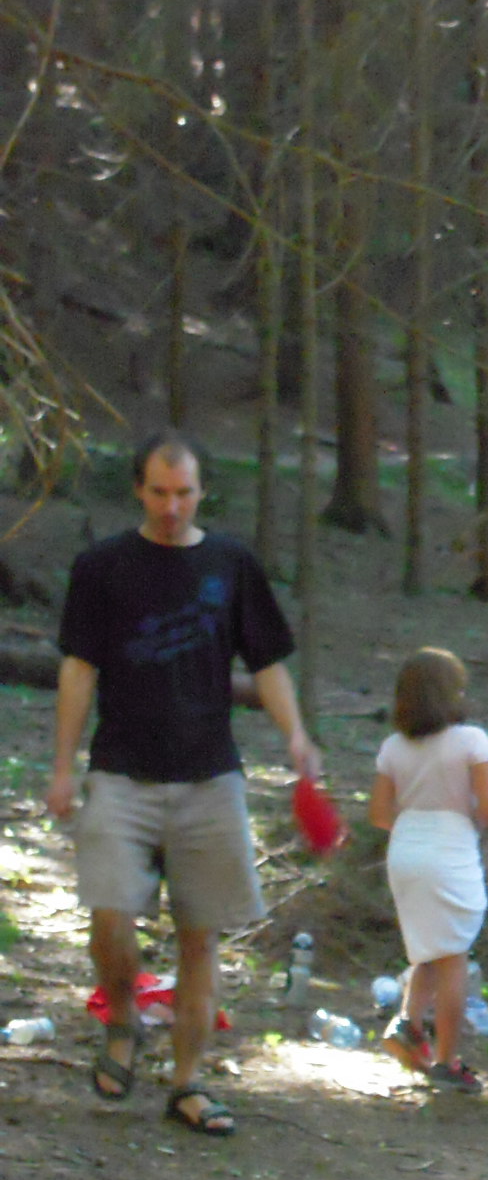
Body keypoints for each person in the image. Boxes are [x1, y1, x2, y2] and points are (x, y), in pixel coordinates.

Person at [48, 431, 316, 1137]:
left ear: (201, 492)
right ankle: (123, 1020)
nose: (172, 507)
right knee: (111, 918)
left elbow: (267, 663)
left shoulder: (231, 564)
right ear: (139, 489)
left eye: (185, 493)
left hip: (209, 776)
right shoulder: (102, 567)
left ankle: (188, 1083)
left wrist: (295, 734)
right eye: (160, 492)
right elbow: (78, 670)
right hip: (120, 772)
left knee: (201, 938)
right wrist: (61, 767)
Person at [370, 648, 488, 1092]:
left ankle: (409, 1024)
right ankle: (446, 1060)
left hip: (405, 848)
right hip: (450, 847)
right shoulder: (471, 741)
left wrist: (415, 826)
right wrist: (462, 822)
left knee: (429, 947)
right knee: (454, 955)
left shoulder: (393, 747)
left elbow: (379, 813)